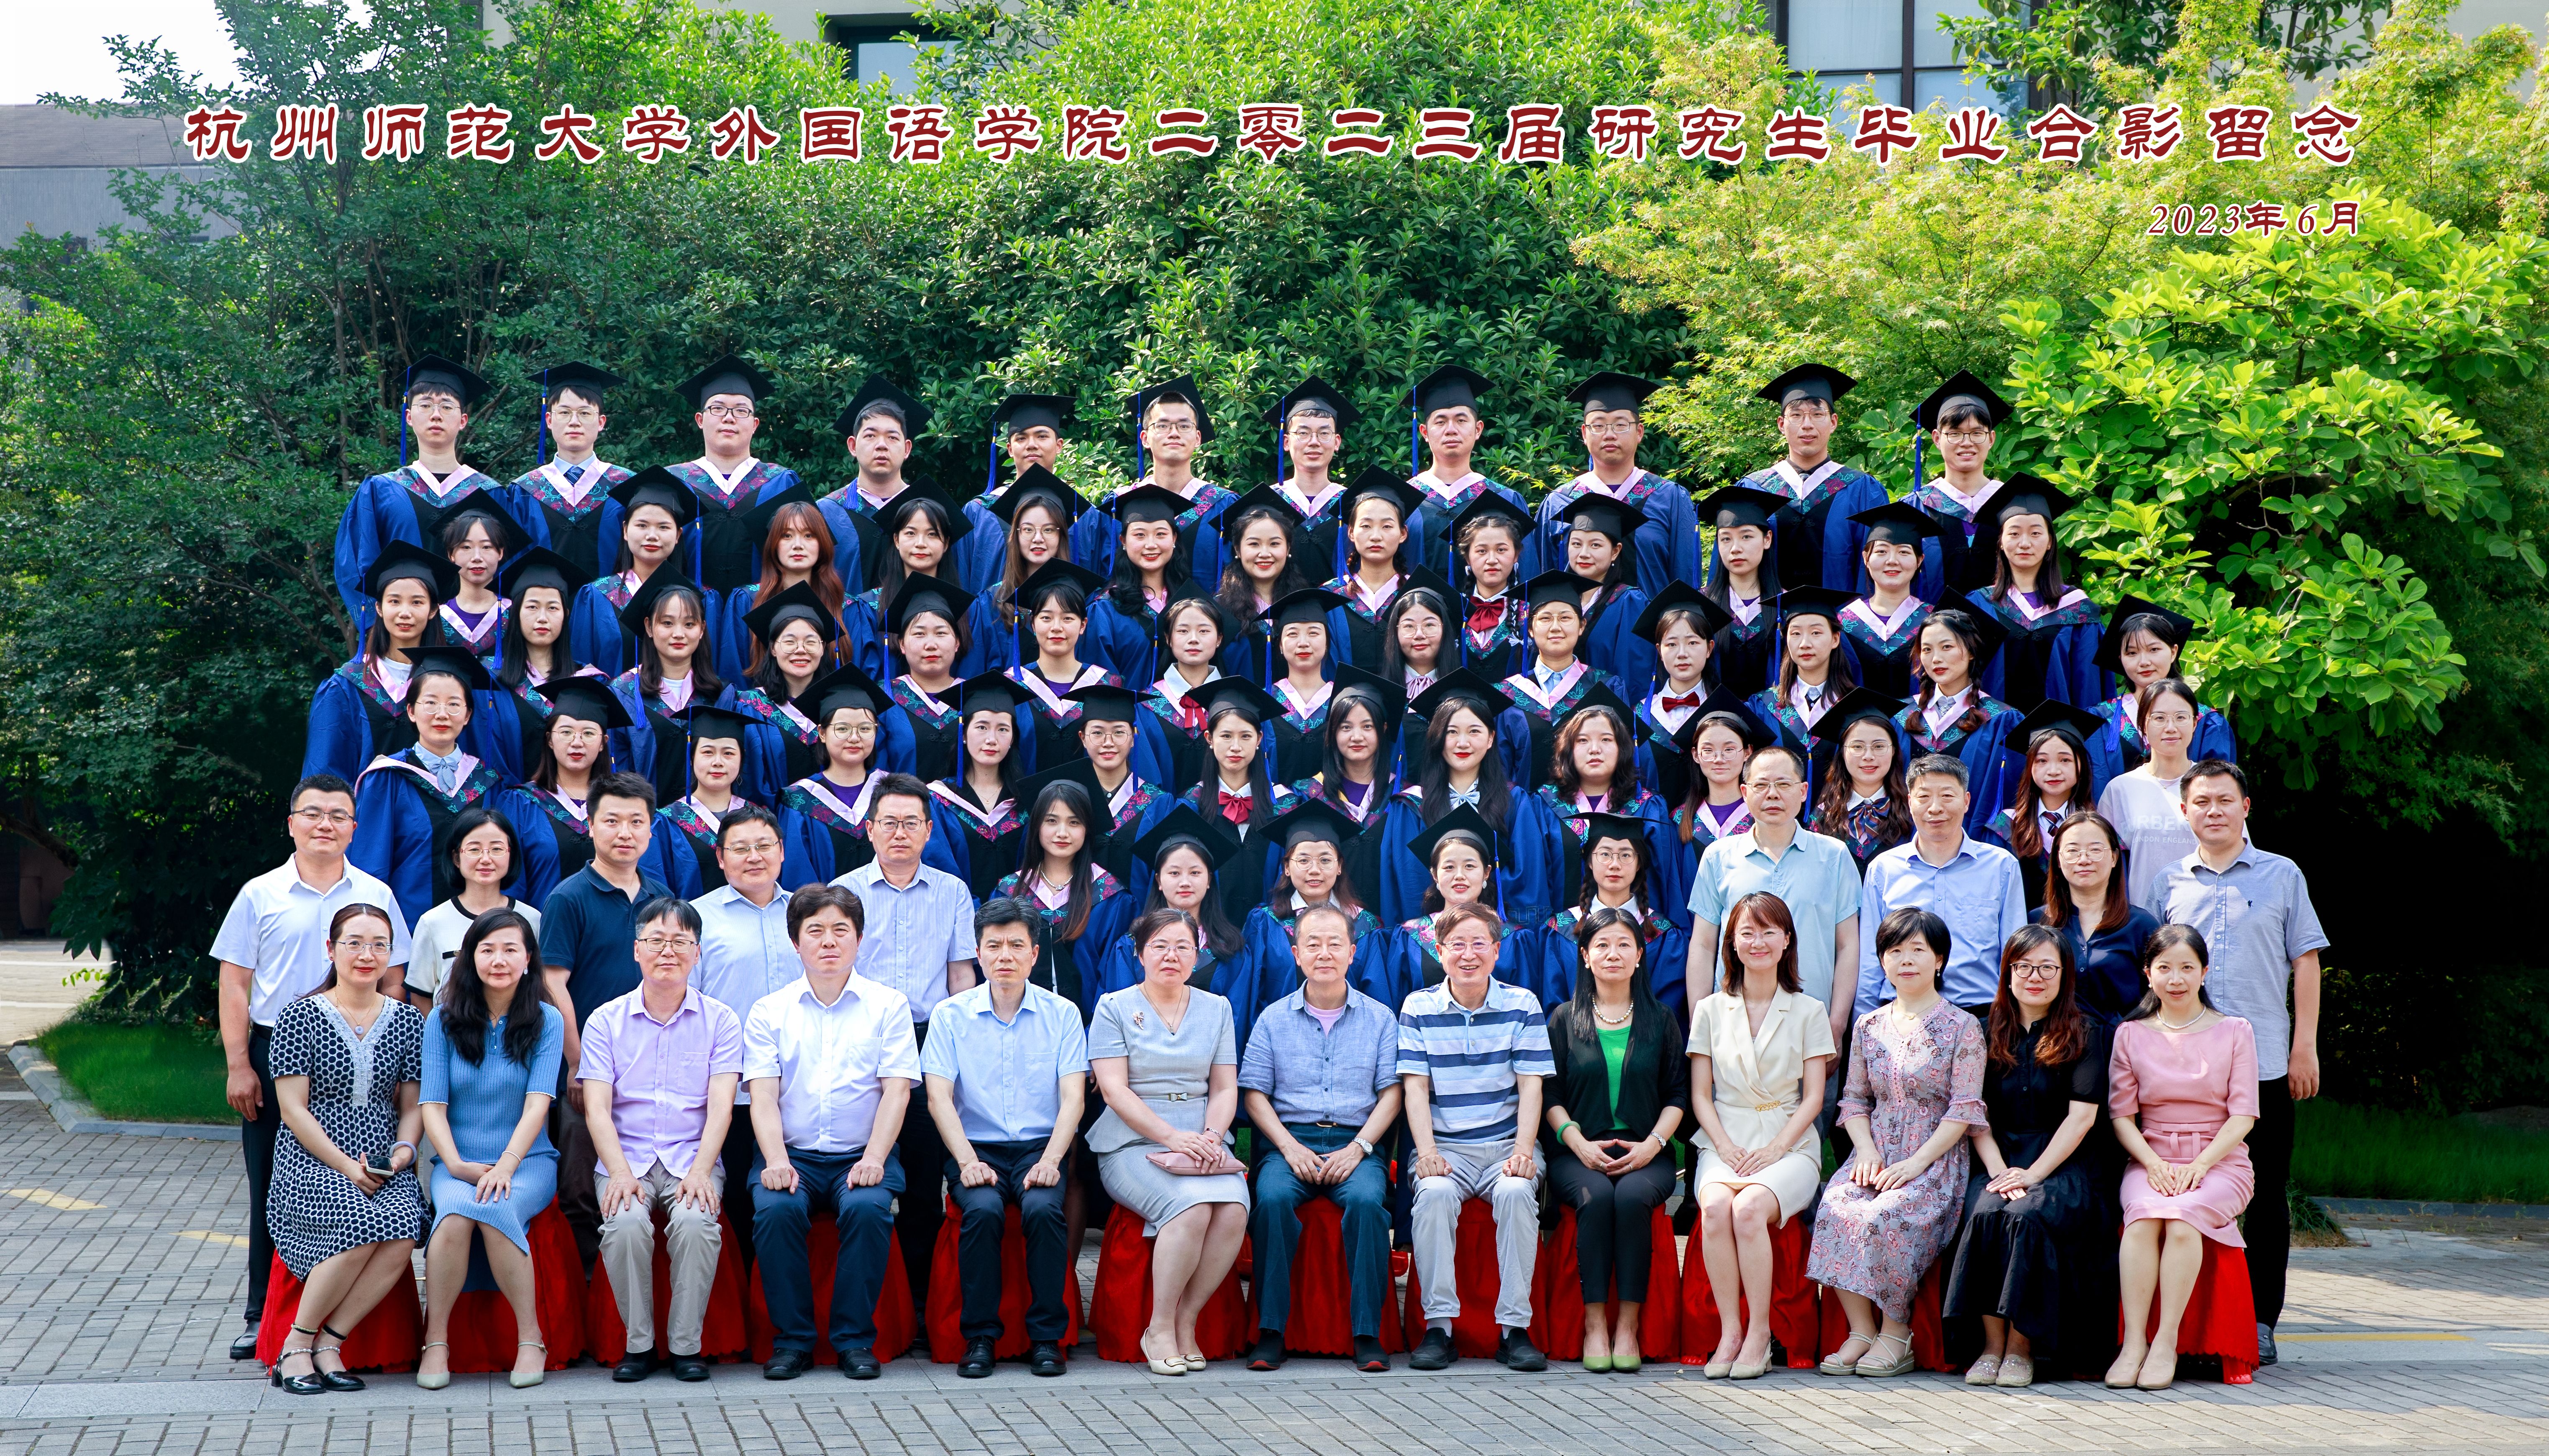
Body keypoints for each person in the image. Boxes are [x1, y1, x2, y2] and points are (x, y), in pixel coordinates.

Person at [212, 781, 413, 1363]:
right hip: (276, 1049)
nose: (325, 824)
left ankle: (343, 1329)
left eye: (338, 815)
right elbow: (235, 982)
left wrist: (381, 1048)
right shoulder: (260, 893)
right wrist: (238, 1063)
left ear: (354, 828)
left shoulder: (376, 892)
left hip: (360, 1050)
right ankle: (261, 1315)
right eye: (313, 813)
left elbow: (394, 980)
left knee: (370, 1189)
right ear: (292, 823)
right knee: (269, 1184)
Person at [2154, 759, 2324, 1365]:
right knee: (2184, 1189)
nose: (2213, 811)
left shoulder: (2282, 874)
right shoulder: (2168, 882)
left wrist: (2304, 1045)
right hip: (2185, 1070)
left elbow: (2306, 961)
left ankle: (2259, 1319)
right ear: (2185, 811)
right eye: (2201, 802)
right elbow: (2153, 972)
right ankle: (2191, 1318)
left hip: (2267, 1063)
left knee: (2267, 1194)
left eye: (2225, 800)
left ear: (2245, 806)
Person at [741, 883, 922, 1380]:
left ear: (859, 939)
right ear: (795, 942)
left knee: (867, 1208)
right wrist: (776, 1160)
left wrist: (875, 1158)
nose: (828, 941)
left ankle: (854, 1341)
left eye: (841, 930)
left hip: (862, 1154)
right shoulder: (769, 1011)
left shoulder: (888, 1005)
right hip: (791, 1153)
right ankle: (792, 1342)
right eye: (815, 930)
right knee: (775, 1211)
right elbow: (763, 1096)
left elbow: (897, 1091)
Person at [1808, 907, 1988, 1379]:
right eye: (1895, 951)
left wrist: (1915, 1164)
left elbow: (1964, 1109)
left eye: (1917, 950)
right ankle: (1861, 1330)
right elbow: (1853, 1100)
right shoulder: (1868, 1026)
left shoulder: (1963, 1026)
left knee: (1883, 1216)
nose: (1906, 960)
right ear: (1882, 961)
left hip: (1934, 1159)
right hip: (1875, 1152)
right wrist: (1866, 1150)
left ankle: (1896, 1331)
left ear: (1939, 960)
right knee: (1836, 1206)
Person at [260, 902, 428, 1395]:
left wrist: (403, 1153)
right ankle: (296, 1345)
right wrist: (346, 1167)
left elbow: (413, 1106)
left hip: (381, 1157)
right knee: (360, 1220)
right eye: (354, 943)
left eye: (379, 944)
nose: (366, 954)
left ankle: (330, 1343)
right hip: (312, 1157)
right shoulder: (298, 1016)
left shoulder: (407, 1020)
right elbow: (293, 1111)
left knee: (405, 1224)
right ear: (331, 949)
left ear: (391, 954)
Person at [1942, 926, 2116, 1388]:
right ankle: (1991, 1346)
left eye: (2046, 967)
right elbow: (1974, 1113)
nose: (2034, 977)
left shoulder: (2086, 1032)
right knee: (1985, 1212)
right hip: (1998, 1157)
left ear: (2065, 974)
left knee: (2025, 1216)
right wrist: (2000, 1171)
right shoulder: (1983, 1030)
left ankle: (2022, 1349)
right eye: (2023, 967)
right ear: (2008, 972)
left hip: (2062, 1163)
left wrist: (2032, 1174)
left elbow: (2081, 1119)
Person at [923, 898, 1089, 1379]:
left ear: (1035, 954)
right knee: (981, 1209)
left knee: (1043, 1209)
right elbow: (938, 1098)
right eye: (994, 945)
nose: (1005, 956)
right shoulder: (950, 1015)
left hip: (1040, 1147)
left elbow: (1073, 1099)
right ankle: (980, 1337)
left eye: (1017, 945)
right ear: (978, 953)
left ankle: (1046, 1338)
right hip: (976, 1147)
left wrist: (1052, 1161)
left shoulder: (1062, 1014)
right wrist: (966, 1161)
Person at [580, 896, 742, 1383]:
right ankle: (640, 1345)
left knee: (696, 1222)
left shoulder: (722, 1020)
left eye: (680, 942)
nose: (667, 951)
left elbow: (721, 1107)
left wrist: (702, 1171)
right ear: (637, 950)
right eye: (656, 940)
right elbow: (596, 1108)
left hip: (692, 1155)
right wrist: (619, 1173)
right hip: (625, 1155)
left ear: (697, 952)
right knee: (625, 1224)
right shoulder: (605, 1020)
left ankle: (686, 1347)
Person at [836, 771, 981, 1310]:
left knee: (923, 1174)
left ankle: (918, 1303)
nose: (900, 832)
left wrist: (961, 1048)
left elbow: (961, 976)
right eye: (890, 822)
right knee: (863, 1161)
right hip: (860, 1037)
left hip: (928, 1039)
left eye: (911, 823)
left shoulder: (953, 891)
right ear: (870, 828)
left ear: (928, 831)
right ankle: (868, 1298)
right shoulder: (845, 892)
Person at [1240, 903, 1405, 1373]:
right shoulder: (1273, 1019)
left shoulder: (1380, 1019)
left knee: (1368, 1204)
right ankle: (1271, 1331)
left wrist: (1359, 1149)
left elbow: (1392, 1094)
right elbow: (1254, 1094)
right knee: (1272, 1200)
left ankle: (1367, 1333)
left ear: (1353, 952)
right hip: (1290, 1142)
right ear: (1296, 953)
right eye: (1313, 944)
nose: (1324, 953)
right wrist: (1288, 1147)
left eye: (1335, 944)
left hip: (1357, 1143)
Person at [1089, 907, 1252, 1376]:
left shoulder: (1217, 1008)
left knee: (1234, 1208)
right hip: (1131, 1142)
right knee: (1192, 1208)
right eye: (1159, 946)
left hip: (1202, 1138)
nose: (1171, 955)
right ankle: (1158, 1327)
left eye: (1182, 946)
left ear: (1197, 955)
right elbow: (1115, 1091)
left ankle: (1187, 1318)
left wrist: (1212, 1136)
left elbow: (1224, 1087)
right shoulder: (1114, 1007)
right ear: (1139, 953)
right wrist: (1172, 1137)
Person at [1686, 891, 1836, 1381]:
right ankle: (1730, 1331)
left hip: (1788, 1141)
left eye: (1769, 931)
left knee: (1748, 1208)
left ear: (1787, 940)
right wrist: (1725, 1146)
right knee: (1714, 1208)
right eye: (1747, 932)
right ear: (1731, 941)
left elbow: (1813, 1098)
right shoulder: (1710, 1009)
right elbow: (1701, 1095)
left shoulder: (1809, 1010)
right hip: (1725, 1138)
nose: (1758, 942)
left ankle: (1759, 1333)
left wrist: (1775, 1149)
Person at [1398, 902, 1553, 1372]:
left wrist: (1523, 1152)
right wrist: (1427, 1152)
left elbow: (1531, 1086)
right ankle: (1438, 1327)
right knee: (1434, 1195)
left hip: (1506, 1144)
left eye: (1479, 943)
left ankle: (1514, 1329)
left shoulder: (1522, 1004)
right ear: (1439, 950)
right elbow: (1415, 1088)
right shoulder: (1418, 1007)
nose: (1468, 954)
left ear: (1497, 950)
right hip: (1446, 1149)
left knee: (1516, 1192)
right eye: (1457, 945)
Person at [415, 908, 565, 1390]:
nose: (499, 960)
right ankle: (436, 1340)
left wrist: (506, 1165)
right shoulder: (442, 1019)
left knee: (498, 1206)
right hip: (457, 1160)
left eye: (510, 949)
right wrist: (455, 1164)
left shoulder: (547, 1020)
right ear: (470, 957)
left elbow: (538, 1104)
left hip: (527, 1161)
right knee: (454, 1216)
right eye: (487, 950)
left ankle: (530, 1338)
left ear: (528, 959)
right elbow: (432, 1105)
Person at [2107, 924, 2260, 1391]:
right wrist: (2153, 1164)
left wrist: (2200, 1165)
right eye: (2165, 968)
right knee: (2142, 1220)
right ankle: (2134, 1342)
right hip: (2151, 1158)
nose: (2176, 979)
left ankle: (2166, 1342)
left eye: (2187, 968)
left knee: (2182, 1220)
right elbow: (2121, 1117)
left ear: (2204, 971)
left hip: (2220, 1161)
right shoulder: (2130, 1033)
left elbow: (2243, 1116)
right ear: (2148, 973)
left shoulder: (2235, 1031)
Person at [1542, 909, 1688, 1373]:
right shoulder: (1565, 1019)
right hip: (1577, 1151)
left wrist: (1653, 1145)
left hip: (1647, 1150)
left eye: (1624, 944)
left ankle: (1627, 1324)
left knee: (1630, 1198)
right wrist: (1578, 1142)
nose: (1613, 954)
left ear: (1640, 955)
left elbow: (1678, 1094)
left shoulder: (1660, 1019)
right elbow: (1550, 1095)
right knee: (1598, 1196)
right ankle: (1594, 1325)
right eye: (1602, 945)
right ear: (1585, 956)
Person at [536, 771, 671, 1269]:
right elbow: (554, 986)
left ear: (651, 829)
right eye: (612, 821)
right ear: (590, 826)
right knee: (581, 1184)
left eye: (636, 821)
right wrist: (578, 1062)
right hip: (588, 1068)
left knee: (642, 1179)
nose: (625, 832)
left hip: (650, 1065)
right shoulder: (568, 897)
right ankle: (591, 1290)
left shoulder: (660, 897)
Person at [1685, 743, 1860, 1058]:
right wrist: (1700, 1025)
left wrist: (1836, 1025)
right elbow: (1703, 945)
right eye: (1761, 785)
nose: (1773, 794)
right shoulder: (1718, 857)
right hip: (1733, 1026)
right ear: (1744, 792)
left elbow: (1847, 945)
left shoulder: (1834, 856)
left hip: (1812, 1027)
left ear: (1804, 791)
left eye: (1783, 784)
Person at [689, 803, 806, 1269]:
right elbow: (688, 1006)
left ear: (781, 851)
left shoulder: (808, 912)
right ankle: (742, 1299)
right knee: (737, 1198)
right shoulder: (697, 918)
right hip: (732, 1089)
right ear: (720, 858)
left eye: (764, 846)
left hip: (800, 1086)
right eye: (740, 848)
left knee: (792, 1199)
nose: (754, 857)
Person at [1376, 671, 1564, 931]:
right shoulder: (1412, 806)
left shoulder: (1514, 801)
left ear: (1491, 738)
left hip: (1497, 938)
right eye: (1452, 732)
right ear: (1437, 738)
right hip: (1432, 939)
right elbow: (1409, 882)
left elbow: (1528, 878)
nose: (1463, 743)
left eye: (1474, 731)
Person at [333, 354, 502, 633]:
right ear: (409, 417)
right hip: (401, 635)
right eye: (425, 405)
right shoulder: (381, 491)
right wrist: (379, 631)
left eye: (447, 406)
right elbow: (355, 565)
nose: (436, 414)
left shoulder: (491, 494)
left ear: (463, 420)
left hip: (475, 634)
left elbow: (507, 569)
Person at [1854, 754, 2028, 1022]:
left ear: (1966, 801)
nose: (1935, 808)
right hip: (1902, 1018)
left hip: (1982, 1016)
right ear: (1910, 801)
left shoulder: (2001, 866)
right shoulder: (1884, 869)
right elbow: (1870, 958)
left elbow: (2015, 953)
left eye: (1947, 796)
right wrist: (1865, 1025)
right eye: (1924, 797)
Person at [348, 647, 512, 929]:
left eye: (454, 705)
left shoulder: (487, 782)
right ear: (411, 711)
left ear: (468, 715)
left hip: (480, 934)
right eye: (431, 703)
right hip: (406, 930)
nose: (442, 714)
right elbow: (370, 865)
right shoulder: (386, 778)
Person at [1534, 372, 1702, 599]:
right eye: (1598, 426)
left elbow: (1685, 579)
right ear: (1584, 434)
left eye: (1620, 425)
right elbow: (1543, 581)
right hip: (1575, 622)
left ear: (1639, 432)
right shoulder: (1559, 503)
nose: (1610, 435)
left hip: (1653, 623)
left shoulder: (1670, 499)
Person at [305, 542, 458, 785]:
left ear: (433, 610)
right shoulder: (346, 686)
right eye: (394, 601)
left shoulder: (448, 682)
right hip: (364, 807)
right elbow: (324, 771)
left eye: (417, 602)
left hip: (431, 808)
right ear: (379, 607)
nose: (405, 613)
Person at [1736, 363, 1887, 595]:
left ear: (1833, 422)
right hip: (1767, 618)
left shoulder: (1862, 491)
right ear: (1782, 424)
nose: (1807, 425)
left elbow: (1874, 572)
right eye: (1796, 415)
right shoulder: (1754, 490)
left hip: (1842, 617)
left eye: (1818, 415)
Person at [997, 765, 1138, 1015]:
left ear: (1087, 829)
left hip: (1089, 1027)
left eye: (1074, 822)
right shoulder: (1009, 892)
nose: (1062, 833)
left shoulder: (1111, 897)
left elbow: (1115, 978)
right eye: (1052, 821)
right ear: (1037, 826)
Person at [1242, 798, 1383, 1044]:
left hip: (1351, 1043)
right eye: (1304, 860)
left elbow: (1376, 997)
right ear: (1287, 868)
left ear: (1340, 867)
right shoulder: (1265, 923)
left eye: (1325, 860)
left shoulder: (1365, 926)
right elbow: (1253, 996)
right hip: (1282, 1041)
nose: (1315, 870)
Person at [1076, 376, 1236, 586]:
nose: (1174, 433)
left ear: (1198, 438)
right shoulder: (1118, 505)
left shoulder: (1224, 505)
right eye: (1162, 426)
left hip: (1206, 609)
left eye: (1184, 426)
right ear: (1145, 438)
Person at [665, 355, 806, 594]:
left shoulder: (781, 482)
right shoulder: (675, 481)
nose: (729, 418)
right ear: (700, 420)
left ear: (755, 425)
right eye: (718, 408)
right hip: (688, 611)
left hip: (765, 609)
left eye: (741, 411)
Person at [1963, 476, 2101, 710]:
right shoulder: (1979, 605)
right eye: (2014, 534)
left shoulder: (2079, 610)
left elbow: (2089, 686)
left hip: (2058, 731)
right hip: (1993, 729)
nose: (2025, 543)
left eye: (2036, 533)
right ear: (2000, 542)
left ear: (2050, 542)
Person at [635, 706, 802, 898]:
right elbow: (655, 890)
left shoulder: (762, 819)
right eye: (708, 752)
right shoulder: (666, 823)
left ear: (742, 759)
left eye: (729, 753)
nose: (718, 762)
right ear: (691, 757)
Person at [494, 678, 626, 906]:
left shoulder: (620, 805)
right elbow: (510, 883)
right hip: (540, 925)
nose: (577, 742)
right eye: (566, 732)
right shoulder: (521, 804)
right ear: (550, 740)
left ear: (603, 743)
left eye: (588, 734)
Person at [1894, 607, 2022, 839]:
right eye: (1927, 650)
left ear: (1971, 652)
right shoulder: (1901, 715)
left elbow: (2012, 794)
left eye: (1947, 647)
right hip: (1904, 845)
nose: (1936, 659)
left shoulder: (2001, 720)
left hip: (1975, 845)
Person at [481, 546, 599, 787]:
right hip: (509, 799)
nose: (543, 618)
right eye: (532, 607)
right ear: (515, 613)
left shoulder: (587, 680)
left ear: (566, 615)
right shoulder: (488, 678)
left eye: (553, 608)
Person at [2089, 595, 2238, 784]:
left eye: (2154, 650)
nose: (2144, 662)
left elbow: (2219, 789)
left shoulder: (2206, 722)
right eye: (2132, 653)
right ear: (2121, 659)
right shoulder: (2101, 719)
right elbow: (2096, 786)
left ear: (2174, 652)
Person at [1502, 571, 1630, 790]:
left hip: (1592, 808)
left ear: (1581, 626)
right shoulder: (1507, 695)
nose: (1555, 627)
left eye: (1565, 618)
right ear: (1530, 629)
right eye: (1545, 618)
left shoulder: (1607, 687)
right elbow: (1501, 771)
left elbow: (1622, 761)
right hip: (1526, 809)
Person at [1176, 677, 1289, 922]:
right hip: (1208, 929)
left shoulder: (1284, 804)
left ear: (1259, 739)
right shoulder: (1191, 806)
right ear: (1209, 739)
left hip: (1270, 928)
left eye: (1246, 736)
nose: (1235, 747)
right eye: (1226, 736)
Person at [778, 662, 904, 883]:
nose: (854, 738)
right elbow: (799, 877)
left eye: (865, 729)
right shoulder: (799, 801)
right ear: (822, 733)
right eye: (843, 729)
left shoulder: (895, 792)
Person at [402, 806, 543, 1003]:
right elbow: (421, 995)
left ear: (510, 855)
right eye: (474, 849)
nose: (486, 859)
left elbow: (541, 985)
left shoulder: (532, 919)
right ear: (456, 858)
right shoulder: (432, 922)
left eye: (497, 849)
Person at [507, 362, 632, 582]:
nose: (574, 422)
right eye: (564, 413)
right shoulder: (525, 491)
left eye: (585, 413)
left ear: (601, 422)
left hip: (613, 603)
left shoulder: (626, 486)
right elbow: (513, 561)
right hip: (543, 602)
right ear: (549, 420)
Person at [571, 467, 701, 678]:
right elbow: (582, 666)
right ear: (625, 530)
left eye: (663, 527)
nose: (652, 536)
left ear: (678, 535)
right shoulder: (596, 596)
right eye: (642, 525)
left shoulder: (700, 597)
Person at [1403, 365, 1530, 581]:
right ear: (1424, 432)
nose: (1451, 430)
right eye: (1440, 422)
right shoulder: (1403, 501)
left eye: (1461, 420)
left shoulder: (1505, 499)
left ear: (1478, 429)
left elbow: (1526, 575)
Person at [1287, 669, 1401, 908]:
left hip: (1388, 920)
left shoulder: (1402, 797)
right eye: (1346, 727)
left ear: (1383, 730)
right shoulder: (1308, 794)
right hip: (1326, 923)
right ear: (1333, 732)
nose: (1356, 737)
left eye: (1367, 727)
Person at [1980, 699, 2107, 910]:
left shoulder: (2099, 828)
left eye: (2065, 760)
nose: (2053, 771)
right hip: (2022, 928)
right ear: (2030, 767)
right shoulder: (2006, 826)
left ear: (2081, 766)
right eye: (2042, 761)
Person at [2095, 678, 2209, 913]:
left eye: (2181, 717)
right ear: (2143, 726)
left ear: (2194, 723)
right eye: (2159, 718)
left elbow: (2235, 850)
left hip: (2203, 913)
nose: (2171, 727)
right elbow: (2104, 861)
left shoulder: (2213, 785)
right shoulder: (2121, 789)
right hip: (2142, 917)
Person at [1899, 371, 2014, 602]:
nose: (1966, 443)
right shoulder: (1914, 509)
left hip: (2005, 624)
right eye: (1955, 434)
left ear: (1991, 439)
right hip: (1931, 624)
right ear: (1936, 439)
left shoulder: (2012, 503)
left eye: (1977, 433)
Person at [2038, 810, 2161, 1022]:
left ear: (2114, 857)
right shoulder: (2038, 923)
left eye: (2095, 850)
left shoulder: (2142, 926)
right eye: (2073, 851)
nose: (2084, 860)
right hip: (2051, 1040)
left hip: (2122, 1040)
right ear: (2058, 859)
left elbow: (2157, 998)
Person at [958, 393, 1075, 595]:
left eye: (1042, 436)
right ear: (1010, 449)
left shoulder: (1081, 514)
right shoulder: (980, 512)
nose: (1032, 445)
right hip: (990, 614)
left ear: (1059, 446)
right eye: (1021, 438)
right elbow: (961, 579)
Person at [1629, 583, 1732, 810]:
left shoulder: (1726, 710)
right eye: (1672, 644)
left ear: (1709, 648)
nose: (1682, 653)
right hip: (1651, 825)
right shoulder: (1639, 715)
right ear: (1659, 651)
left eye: (1693, 642)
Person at [1087, 484, 1195, 683]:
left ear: (1174, 538)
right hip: (1130, 704)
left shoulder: (1191, 600)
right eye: (1140, 535)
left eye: (1161, 534)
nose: (1151, 545)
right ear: (1123, 541)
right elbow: (1099, 682)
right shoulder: (1105, 610)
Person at [983, 467, 1084, 670]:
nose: (1038, 539)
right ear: (1016, 535)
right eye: (1028, 530)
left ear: (1061, 536)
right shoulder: (992, 601)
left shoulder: (1082, 598)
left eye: (1049, 530)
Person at [1695, 486, 1789, 697]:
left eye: (1746, 537)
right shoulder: (1701, 605)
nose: (1735, 548)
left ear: (1767, 539)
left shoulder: (1787, 605)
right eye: (1726, 539)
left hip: (1772, 714)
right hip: (1713, 714)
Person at [1837, 502, 1937, 700]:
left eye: (1904, 552)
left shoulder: (1934, 621)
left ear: (1919, 561)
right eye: (1882, 552)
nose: (1892, 560)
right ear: (1866, 558)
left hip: (1919, 719)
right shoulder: (1842, 623)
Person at [1322, 471, 1422, 668]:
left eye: (1387, 527)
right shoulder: (1330, 596)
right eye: (1366, 526)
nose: (1376, 536)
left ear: (1403, 534)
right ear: (1351, 532)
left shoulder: (1417, 592)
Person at [1262, 376, 1360, 576]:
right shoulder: (1267, 503)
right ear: (1286, 442)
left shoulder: (1353, 505)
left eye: (1324, 434)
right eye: (1303, 433)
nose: (1314, 442)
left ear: (1337, 442)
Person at [1806, 688, 1911, 873]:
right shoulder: (1823, 816)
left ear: (1894, 751)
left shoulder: (1911, 813)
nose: (1868, 756)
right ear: (1842, 753)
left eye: (1879, 746)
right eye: (1857, 747)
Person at [1748, 588, 1860, 754]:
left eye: (1816, 633)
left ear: (1835, 639)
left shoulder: (1856, 705)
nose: (1805, 644)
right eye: (1796, 633)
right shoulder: (1763, 706)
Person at [1140, 592, 1233, 792]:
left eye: (1204, 631)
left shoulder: (1235, 701)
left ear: (1219, 639)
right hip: (1165, 810)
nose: (1193, 639)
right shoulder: (1146, 705)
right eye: (1183, 631)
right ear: (1168, 639)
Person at [823, 375, 931, 531]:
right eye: (870, 436)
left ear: (907, 449)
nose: (882, 445)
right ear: (853, 446)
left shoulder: (930, 511)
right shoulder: (826, 512)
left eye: (892, 437)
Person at [1263, 588, 1348, 784]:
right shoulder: (1264, 702)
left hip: (1335, 802)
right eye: (1292, 634)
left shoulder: (1344, 701)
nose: (1303, 643)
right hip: (1274, 803)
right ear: (1280, 646)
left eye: (1313, 633)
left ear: (1327, 643)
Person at [1450, 491, 1535, 683]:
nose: (1492, 560)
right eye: (1482, 551)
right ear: (1467, 557)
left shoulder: (1532, 614)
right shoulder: (1452, 610)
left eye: (1501, 550)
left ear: (1516, 555)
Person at [434, 500, 528, 662]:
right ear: (451, 554)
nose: (477, 558)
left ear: (500, 553)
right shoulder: (436, 618)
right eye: (466, 547)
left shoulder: (517, 615)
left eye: (487, 547)